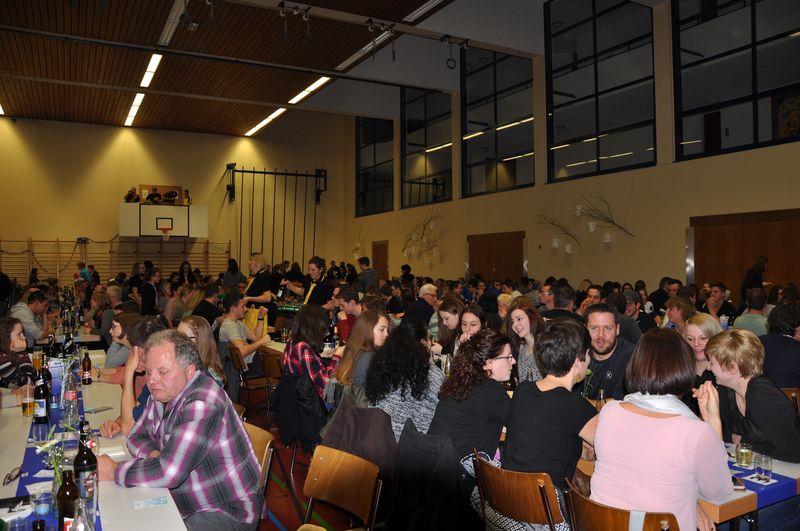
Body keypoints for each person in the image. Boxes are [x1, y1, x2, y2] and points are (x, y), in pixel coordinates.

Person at [97, 330, 263, 530]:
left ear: (189, 371)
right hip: (185, 500)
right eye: (149, 371)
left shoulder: (202, 402)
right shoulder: (163, 392)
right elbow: (135, 434)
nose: (152, 380)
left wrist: (113, 470)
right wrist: (155, 455)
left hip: (224, 512)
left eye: (163, 372)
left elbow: (169, 473)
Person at [590, 328, 732, 531]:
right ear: (685, 368)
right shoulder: (695, 432)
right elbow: (718, 491)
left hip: (600, 524)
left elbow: (641, 479)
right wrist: (713, 422)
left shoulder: (609, 412)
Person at [497, 319, 596, 531]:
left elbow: (542, 438)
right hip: (548, 513)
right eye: (588, 354)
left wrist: (580, 450)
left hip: (507, 503)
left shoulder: (523, 391)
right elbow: (612, 448)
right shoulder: (576, 407)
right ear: (577, 361)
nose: (589, 361)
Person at [707, 329, 800, 462]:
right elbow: (727, 437)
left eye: (712, 363)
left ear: (733, 368)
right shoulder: (726, 389)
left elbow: (795, 452)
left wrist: (746, 443)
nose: (708, 368)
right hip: (761, 463)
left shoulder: (762, 396)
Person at [429, 328, 513, 461]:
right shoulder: (491, 390)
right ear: (488, 363)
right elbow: (523, 424)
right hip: (460, 469)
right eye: (508, 357)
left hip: (435, 462)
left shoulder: (459, 381)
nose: (513, 361)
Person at [365, 322, 444, 441]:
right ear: (423, 342)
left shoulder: (381, 367)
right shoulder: (431, 373)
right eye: (429, 339)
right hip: (415, 443)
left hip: (377, 439)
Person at [99, 316, 167, 437]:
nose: (133, 357)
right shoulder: (151, 382)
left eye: (137, 353)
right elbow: (137, 409)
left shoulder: (161, 381)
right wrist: (118, 422)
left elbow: (128, 428)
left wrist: (129, 371)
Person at [572, 303, 634, 400]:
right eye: (594, 328)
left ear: (617, 329)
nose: (601, 335)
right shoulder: (576, 352)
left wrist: (578, 403)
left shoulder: (632, 356)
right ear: (585, 329)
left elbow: (617, 403)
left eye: (608, 328)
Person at [218, 292, 270, 403]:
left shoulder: (236, 323)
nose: (246, 309)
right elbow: (241, 351)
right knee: (277, 364)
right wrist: (261, 342)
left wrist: (260, 317)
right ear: (233, 309)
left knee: (277, 363)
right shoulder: (229, 326)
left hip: (245, 365)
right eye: (243, 306)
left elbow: (255, 336)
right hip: (244, 368)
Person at [283, 304, 342, 400]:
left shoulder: (292, 342)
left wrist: (319, 356)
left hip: (294, 398)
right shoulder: (304, 348)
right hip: (310, 401)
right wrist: (337, 357)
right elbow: (325, 383)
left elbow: (304, 368)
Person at [681, 313, 723, 416]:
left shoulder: (724, 372)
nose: (696, 344)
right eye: (690, 339)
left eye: (703, 338)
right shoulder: (679, 369)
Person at [334, 311, 389, 387]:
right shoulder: (369, 357)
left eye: (387, 330)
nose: (386, 334)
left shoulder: (353, 349)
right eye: (382, 329)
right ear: (368, 330)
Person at [178, 316, 226, 388]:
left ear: (200, 341)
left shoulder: (208, 378)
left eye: (184, 338)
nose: (178, 342)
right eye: (177, 336)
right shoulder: (184, 363)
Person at [761, 302, 800, 388]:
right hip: (791, 396)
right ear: (798, 328)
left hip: (755, 394)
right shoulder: (796, 350)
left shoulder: (755, 343)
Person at [507, 303, 546, 383]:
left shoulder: (547, 346)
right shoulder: (519, 348)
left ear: (532, 318)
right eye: (512, 322)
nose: (515, 325)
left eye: (519, 319)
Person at [0, 316, 36, 387]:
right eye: (19, 334)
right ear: (5, 337)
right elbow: (29, 383)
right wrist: (21, 352)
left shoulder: (9, 354)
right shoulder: (1, 360)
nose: (24, 337)